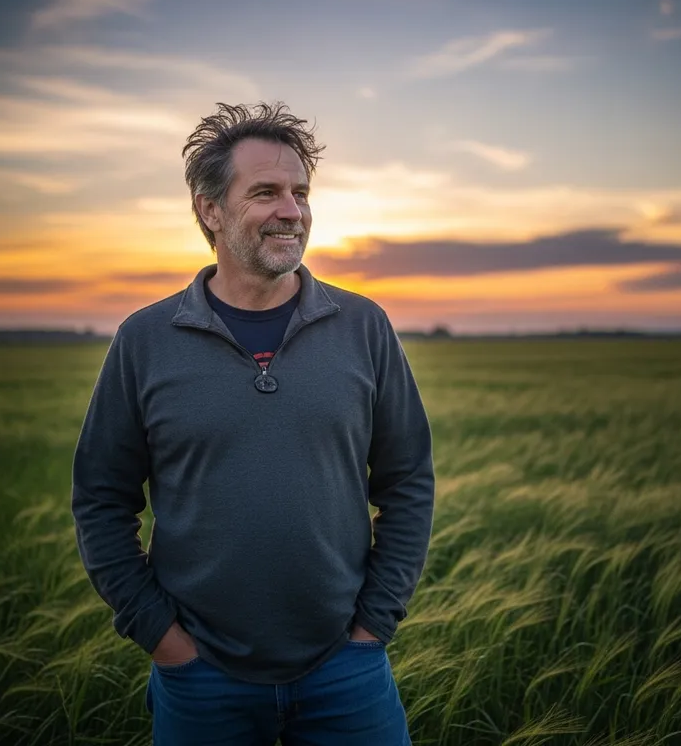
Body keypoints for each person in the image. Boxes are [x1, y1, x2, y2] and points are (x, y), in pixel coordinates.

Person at [71, 102, 435, 745]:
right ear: (210, 210)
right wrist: (164, 640)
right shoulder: (145, 340)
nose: (292, 210)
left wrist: (371, 629)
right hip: (200, 680)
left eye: (301, 193)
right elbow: (101, 499)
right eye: (266, 192)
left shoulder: (364, 327)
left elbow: (407, 481)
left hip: (346, 671)